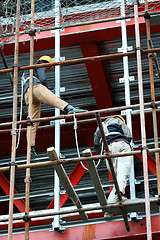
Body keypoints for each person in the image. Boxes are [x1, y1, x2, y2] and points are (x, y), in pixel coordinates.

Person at [22, 55, 87, 156]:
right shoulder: (37, 66)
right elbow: (42, 79)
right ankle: (69, 108)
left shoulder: (27, 72)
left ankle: (31, 146)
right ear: (43, 62)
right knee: (52, 98)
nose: (46, 69)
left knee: (32, 121)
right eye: (47, 67)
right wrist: (47, 88)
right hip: (34, 86)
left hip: (26, 94)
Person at [94, 115, 133, 204]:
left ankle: (111, 203)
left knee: (117, 177)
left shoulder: (100, 125)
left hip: (108, 150)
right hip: (121, 145)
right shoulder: (118, 121)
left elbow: (96, 143)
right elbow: (128, 135)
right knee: (122, 173)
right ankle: (119, 194)